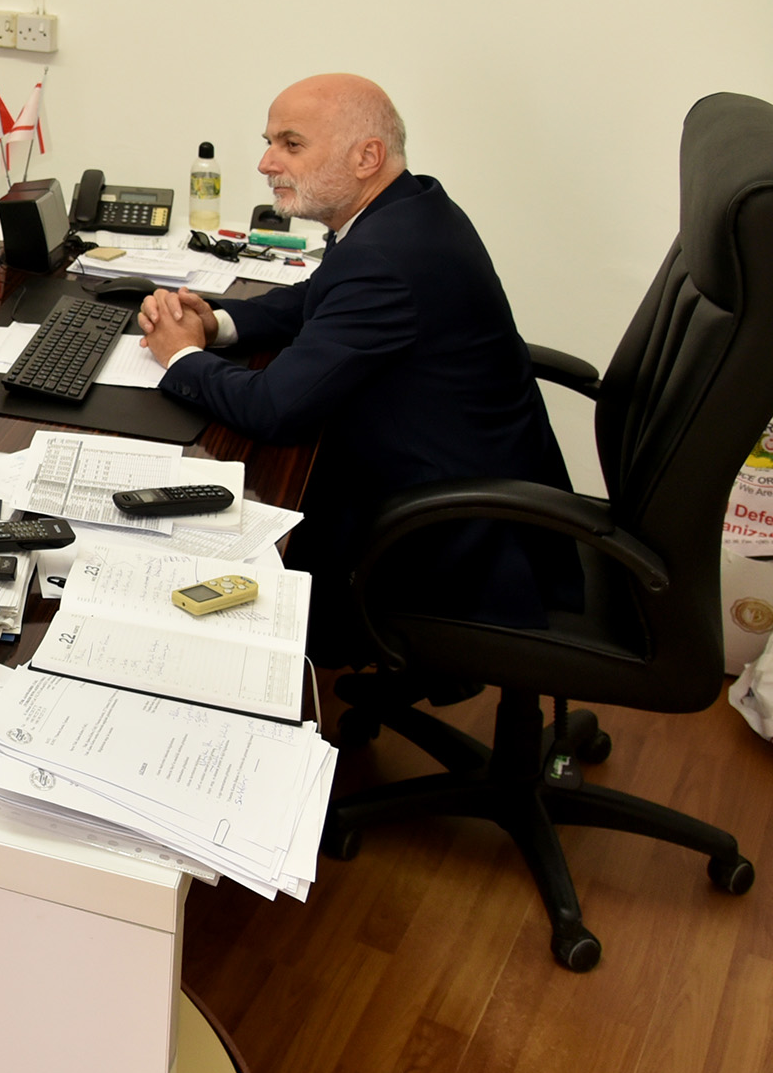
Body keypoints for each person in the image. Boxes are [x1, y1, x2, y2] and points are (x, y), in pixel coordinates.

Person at [136, 73, 579, 658]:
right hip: (466, 472)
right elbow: (318, 297)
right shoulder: (409, 208)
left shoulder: (385, 256)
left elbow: (274, 408)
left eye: (291, 145)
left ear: (366, 157)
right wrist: (218, 323)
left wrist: (180, 355)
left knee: (206, 538)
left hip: (452, 535)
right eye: (269, 142)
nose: (266, 163)